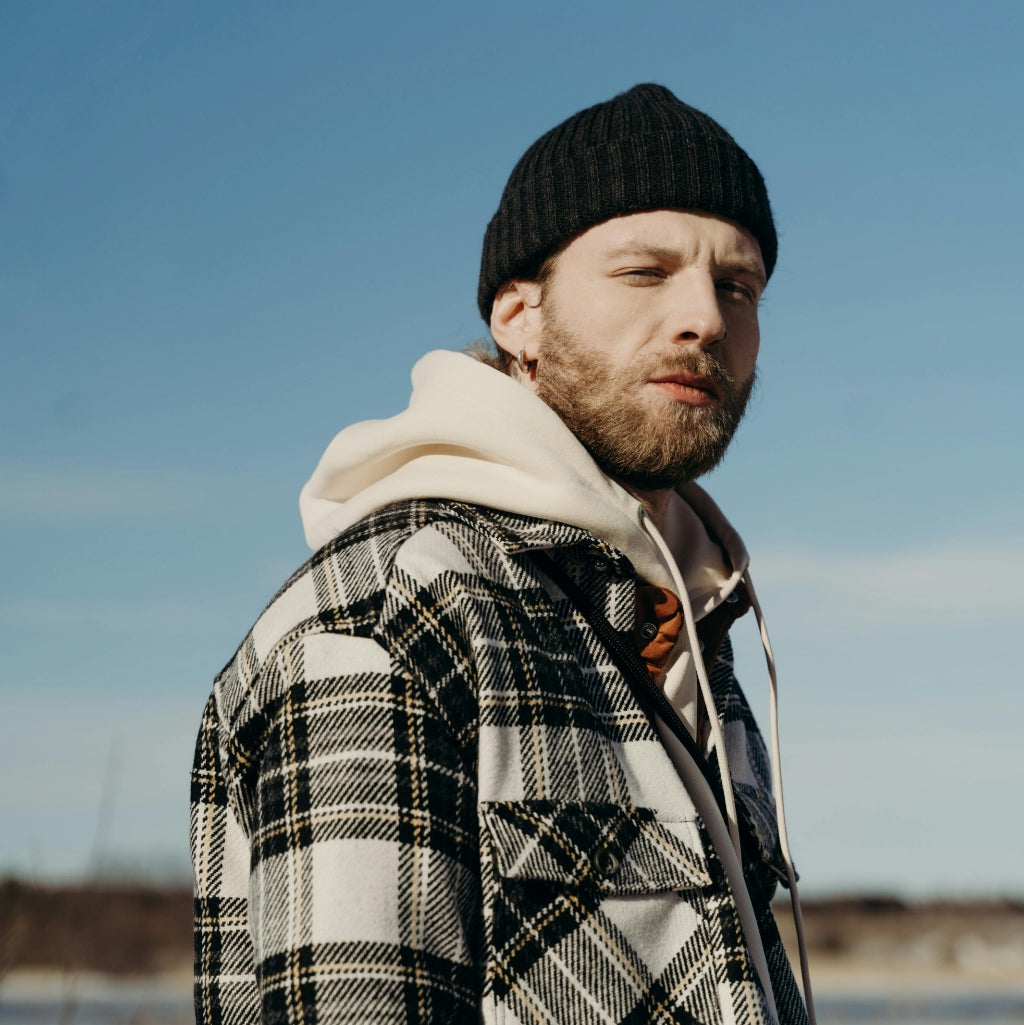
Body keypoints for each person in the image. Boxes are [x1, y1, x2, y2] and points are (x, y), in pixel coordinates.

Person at [191, 83, 815, 1025]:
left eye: (738, 286)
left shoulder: (685, 617)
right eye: (644, 272)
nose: (706, 318)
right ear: (520, 317)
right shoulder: (386, 623)